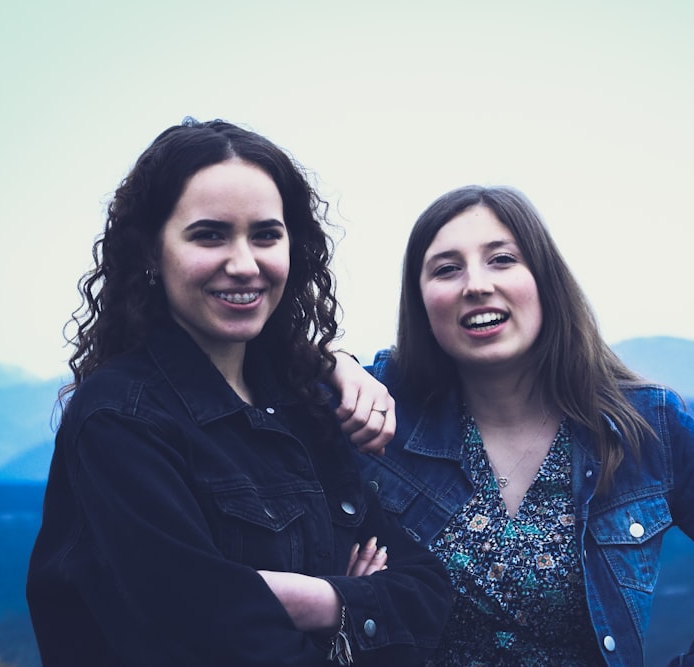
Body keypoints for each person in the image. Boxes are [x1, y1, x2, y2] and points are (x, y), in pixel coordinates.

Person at [333, 185, 694, 666]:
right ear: (421, 303)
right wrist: (333, 361)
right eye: (446, 270)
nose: (477, 284)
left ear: (545, 281)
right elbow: (267, 373)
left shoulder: (644, 427)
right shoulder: (380, 407)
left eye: (503, 259)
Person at [26, 118, 451, 666]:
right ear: (152, 252)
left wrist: (319, 599)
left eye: (265, 235)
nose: (244, 264)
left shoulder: (305, 405)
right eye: (209, 235)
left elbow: (425, 591)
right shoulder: (121, 421)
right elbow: (204, 636)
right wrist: (355, 609)